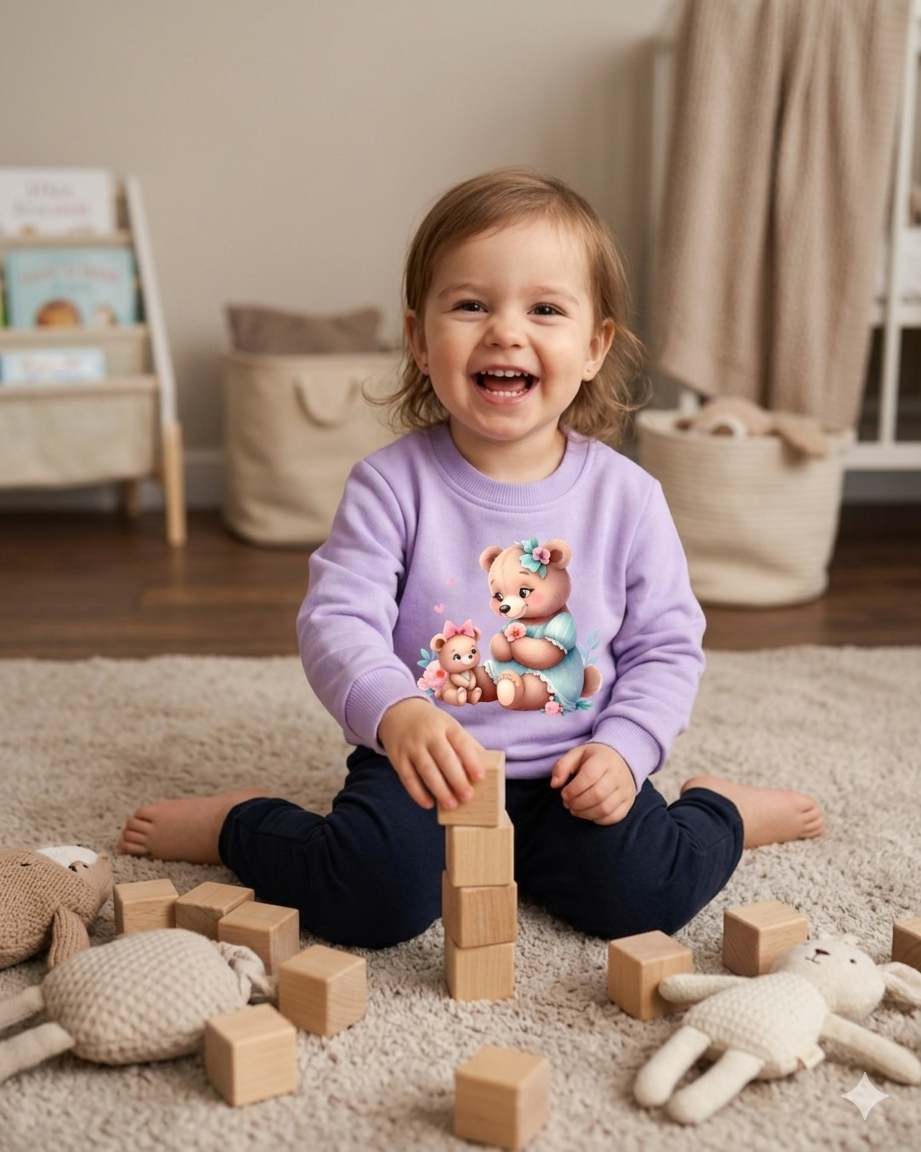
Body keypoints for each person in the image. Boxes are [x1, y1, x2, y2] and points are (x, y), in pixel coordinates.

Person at [118, 169, 824, 947]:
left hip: (573, 765)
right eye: (471, 305)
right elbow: (335, 620)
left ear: (593, 348)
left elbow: (664, 648)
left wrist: (625, 754)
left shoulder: (628, 498)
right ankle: (238, 825)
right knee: (371, 899)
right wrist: (399, 714)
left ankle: (718, 809)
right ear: (420, 340)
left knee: (640, 895)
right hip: (425, 764)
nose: (505, 331)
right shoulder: (390, 485)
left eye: (544, 309)